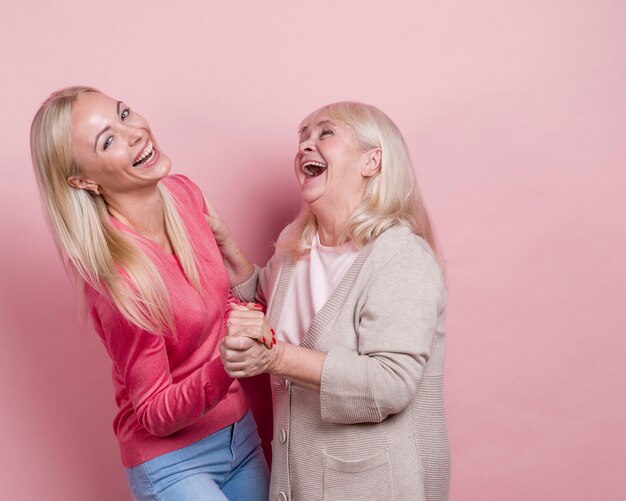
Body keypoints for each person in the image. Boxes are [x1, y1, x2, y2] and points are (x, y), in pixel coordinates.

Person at [30, 86, 269, 501]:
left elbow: (220, 305)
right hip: (172, 462)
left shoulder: (184, 195)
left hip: (240, 435)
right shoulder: (117, 276)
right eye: (108, 140)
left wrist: (243, 318)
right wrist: (228, 363)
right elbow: (155, 412)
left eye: (124, 114)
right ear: (83, 180)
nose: (135, 132)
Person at [216, 101, 450, 501]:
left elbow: (390, 383)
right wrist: (223, 245)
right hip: (302, 482)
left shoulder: (401, 256)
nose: (306, 145)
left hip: (379, 486)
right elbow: (263, 299)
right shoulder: (297, 248)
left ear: (371, 161)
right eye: (302, 137)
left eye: (325, 133)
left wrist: (274, 358)